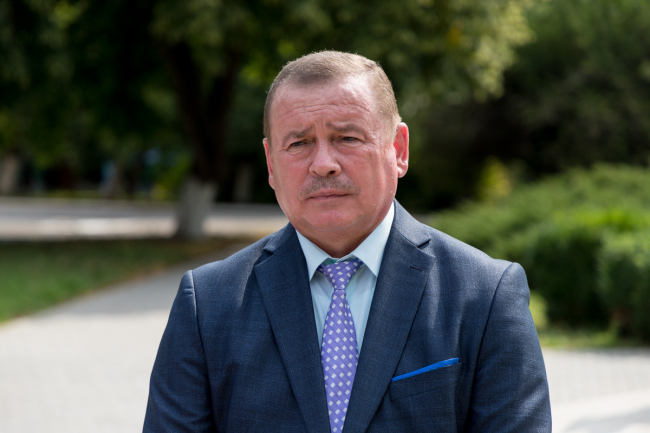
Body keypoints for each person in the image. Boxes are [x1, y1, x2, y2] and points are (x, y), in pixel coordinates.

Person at [144, 51, 551, 433]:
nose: (323, 164)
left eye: (347, 138)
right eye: (298, 143)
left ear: (399, 149)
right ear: (271, 164)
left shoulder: (484, 296)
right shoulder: (207, 305)